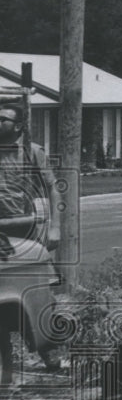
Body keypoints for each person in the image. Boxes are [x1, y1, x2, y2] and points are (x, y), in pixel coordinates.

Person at [0, 101, 62, 383]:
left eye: (3, 120)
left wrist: (55, 228)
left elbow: (52, 189)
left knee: (38, 294)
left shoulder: (32, 152)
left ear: (19, 126)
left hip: (26, 228)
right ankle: (7, 369)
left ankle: (50, 353)